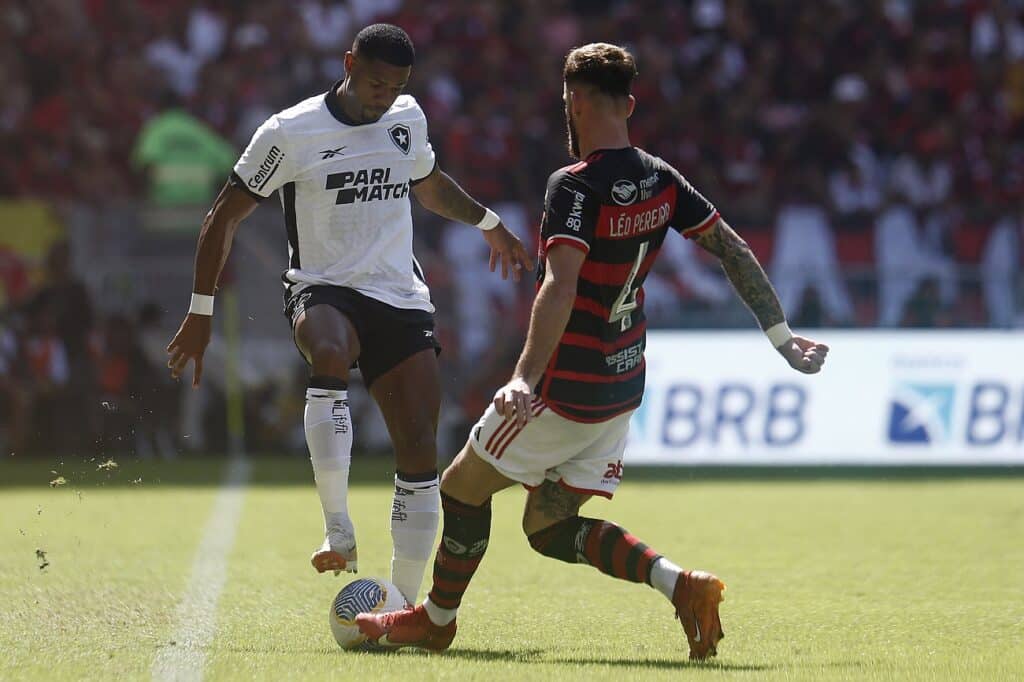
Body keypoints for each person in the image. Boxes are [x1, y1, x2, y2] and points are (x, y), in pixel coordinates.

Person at [356, 42, 829, 660]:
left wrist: (524, 377)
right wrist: (782, 337)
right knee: (548, 528)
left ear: (573, 102)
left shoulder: (574, 187)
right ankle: (682, 585)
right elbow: (733, 251)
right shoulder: (662, 179)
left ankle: (436, 622)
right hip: (621, 388)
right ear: (628, 103)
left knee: (461, 490)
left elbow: (560, 283)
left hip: (562, 390)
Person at [165, 24, 532, 604]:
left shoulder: (406, 119)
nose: (383, 96)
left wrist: (490, 225)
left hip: (398, 295)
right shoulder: (289, 133)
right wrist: (201, 310)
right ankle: (338, 528)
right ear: (348, 65)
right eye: (375, 83)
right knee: (330, 352)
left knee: (419, 446)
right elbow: (224, 216)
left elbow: (429, 186)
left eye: (395, 86)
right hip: (322, 287)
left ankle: (404, 604)